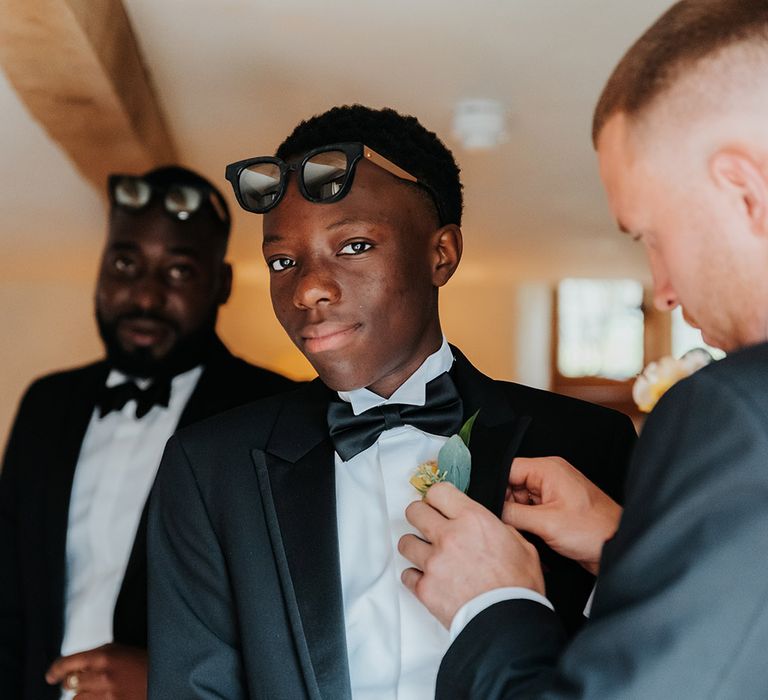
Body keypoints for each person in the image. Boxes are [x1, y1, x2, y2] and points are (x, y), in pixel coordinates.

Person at [146, 105, 636, 699]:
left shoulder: (589, 444)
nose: (307, 288)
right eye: (282, 260)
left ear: (442, 255)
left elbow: (648, 661)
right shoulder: (210, 467)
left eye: (352, 245)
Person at [398, 1, 768, 698]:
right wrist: (619, 544)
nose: (661, 290)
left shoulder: (738, 410)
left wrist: (492, 603)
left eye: (652, 235)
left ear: (743, 191)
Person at [0, 165, 295, 699]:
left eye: (178, 272)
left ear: (221, 283)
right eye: (125, 264)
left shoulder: (274, 412)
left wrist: (166, 679)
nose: (145, 296)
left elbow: (296, 616)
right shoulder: (45, 405)